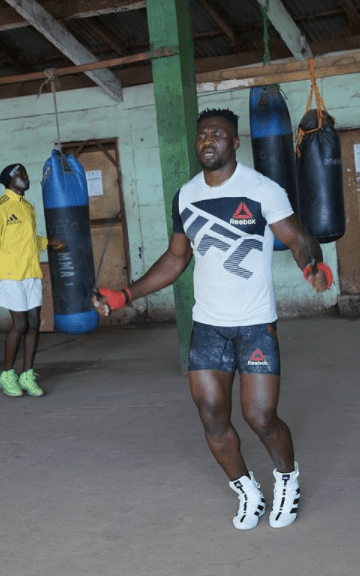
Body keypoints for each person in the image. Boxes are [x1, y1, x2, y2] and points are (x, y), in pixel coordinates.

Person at [92, 108, 333, 530]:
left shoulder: (262, 189)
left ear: (235, 143)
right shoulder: (186, 196)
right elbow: (176, 257)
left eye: (217, 135)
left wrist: (312, 265)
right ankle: (246, 490)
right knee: (211, 415)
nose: (208, 141)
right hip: (208, 325)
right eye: (202, 135)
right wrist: (126, 293)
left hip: (256, 323)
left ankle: (287, 479)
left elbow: (297, 239)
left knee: (260, 417)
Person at [0, 163, 64, 398]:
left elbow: (28, 241)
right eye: (19, 175)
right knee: (20, 324)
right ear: (9, 181)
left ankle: (27, 374)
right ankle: (7, 374)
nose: (25, 178)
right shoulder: (0, 206)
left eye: (25, 174)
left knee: (35, 322)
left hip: (31, 272)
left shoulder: (28, 207)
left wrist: (48, 243)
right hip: (10, 274)